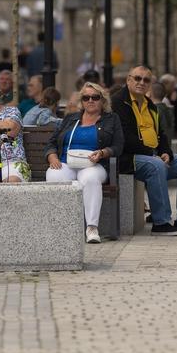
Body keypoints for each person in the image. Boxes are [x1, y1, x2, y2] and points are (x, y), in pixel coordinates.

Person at [113, 66, 177, 237]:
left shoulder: (150, 105)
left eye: (146, 80)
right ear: (128, 80)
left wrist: (166, 151)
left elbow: (161, 133)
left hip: (151, 155)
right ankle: (161, 222)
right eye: (137, 78)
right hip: (127, 158)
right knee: (156, 166)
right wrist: (153, 153)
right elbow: (125, 137)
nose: (141, 82)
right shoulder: (118, 103)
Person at [46, 82, 124, 244]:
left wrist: (103, 153)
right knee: (54, 175)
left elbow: (118, 145)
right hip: (66, 162)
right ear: (81, 101)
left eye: (95, 97)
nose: (90, 100)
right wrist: (52, 156)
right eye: (86, 97)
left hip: (94, 164)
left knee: (89, 178)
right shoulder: (70, 118)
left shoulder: (111, 119)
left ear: (103, 100)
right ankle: (64, 226)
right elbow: (52, 142)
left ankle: (92, 227)